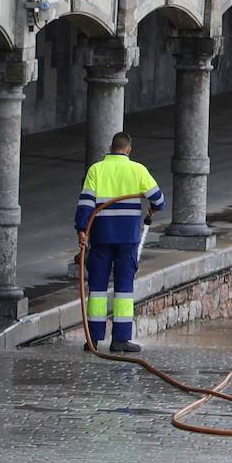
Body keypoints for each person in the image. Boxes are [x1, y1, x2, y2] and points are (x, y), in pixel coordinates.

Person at [75, 132, 166, 353]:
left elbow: (86, 204)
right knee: (124, 289)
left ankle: (93, 339)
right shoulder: (137, 170)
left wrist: (81, 230)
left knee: (96, 288)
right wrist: (152, 209)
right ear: (128, 150)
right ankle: (120, 339)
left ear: (111, 147)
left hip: (100, 237)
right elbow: (159, 199)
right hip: (127, 239)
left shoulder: (96, 170)